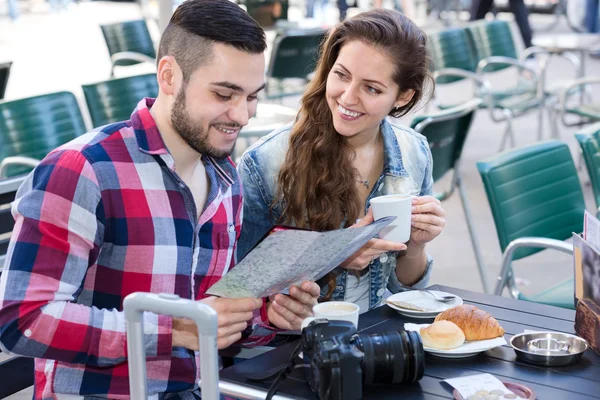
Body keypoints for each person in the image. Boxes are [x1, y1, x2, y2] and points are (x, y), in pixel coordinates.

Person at [0, 0, 319, 398]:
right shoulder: (83, 170)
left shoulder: (225, 177)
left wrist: (267, 315)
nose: (243, 116)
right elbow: (23, 320)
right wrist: (177, 329)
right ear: (168, 76)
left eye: (253, 97)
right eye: (224, 94)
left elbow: (214, 317)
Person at [237, 9, 446, 314]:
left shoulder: (415, 151)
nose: (348, 97)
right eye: (342, 75)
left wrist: (416, 245)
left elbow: (406, 287)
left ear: (402, 97)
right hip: (293, 347)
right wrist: (333, 256)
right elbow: (239, 287)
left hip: (376, 340)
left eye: (371, 88)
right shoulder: (265, 162)